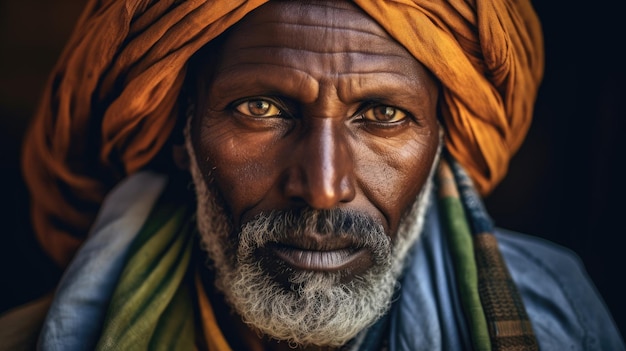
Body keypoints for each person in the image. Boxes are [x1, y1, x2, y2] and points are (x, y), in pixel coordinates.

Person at [0, 0, 623, 350]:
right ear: (181, 135)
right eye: (262, 109)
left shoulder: (560, 324)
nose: (324, 186)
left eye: (382, 115)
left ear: (440, 149)